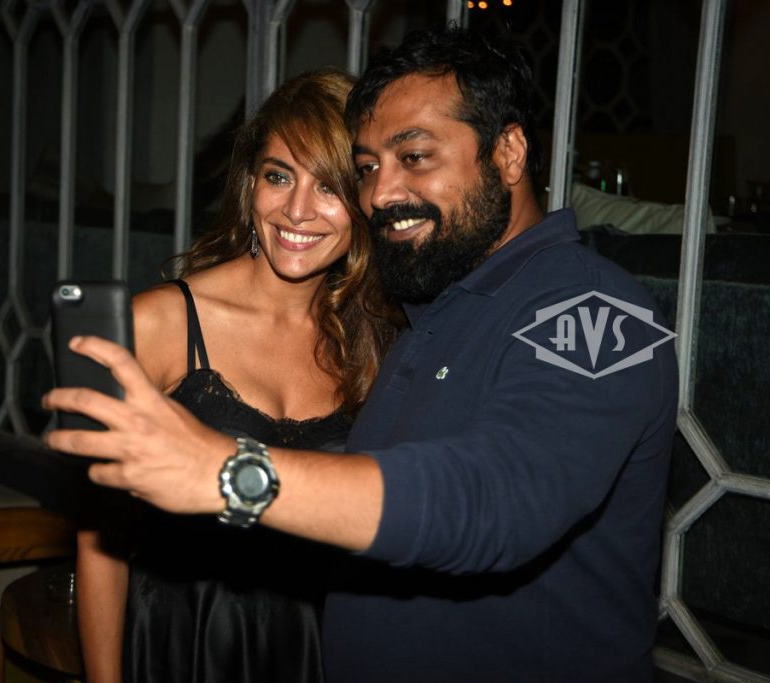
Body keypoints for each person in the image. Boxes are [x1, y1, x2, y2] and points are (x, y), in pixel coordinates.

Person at [45, 26, 678, 682]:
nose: (380, 194)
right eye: (369, 168)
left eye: (416, 156)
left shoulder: (599, 314)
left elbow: (496, 499)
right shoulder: (420, 311)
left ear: (509, 152)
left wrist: (227, 471)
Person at [72, 68, 399, 683]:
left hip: (317, 649)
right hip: (182, 645)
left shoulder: (372, 341)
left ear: (365, 198)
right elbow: (98, 542)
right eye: (279, 176)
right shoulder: (160, 324)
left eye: (329, 186)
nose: (297, 210)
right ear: (250, 184)